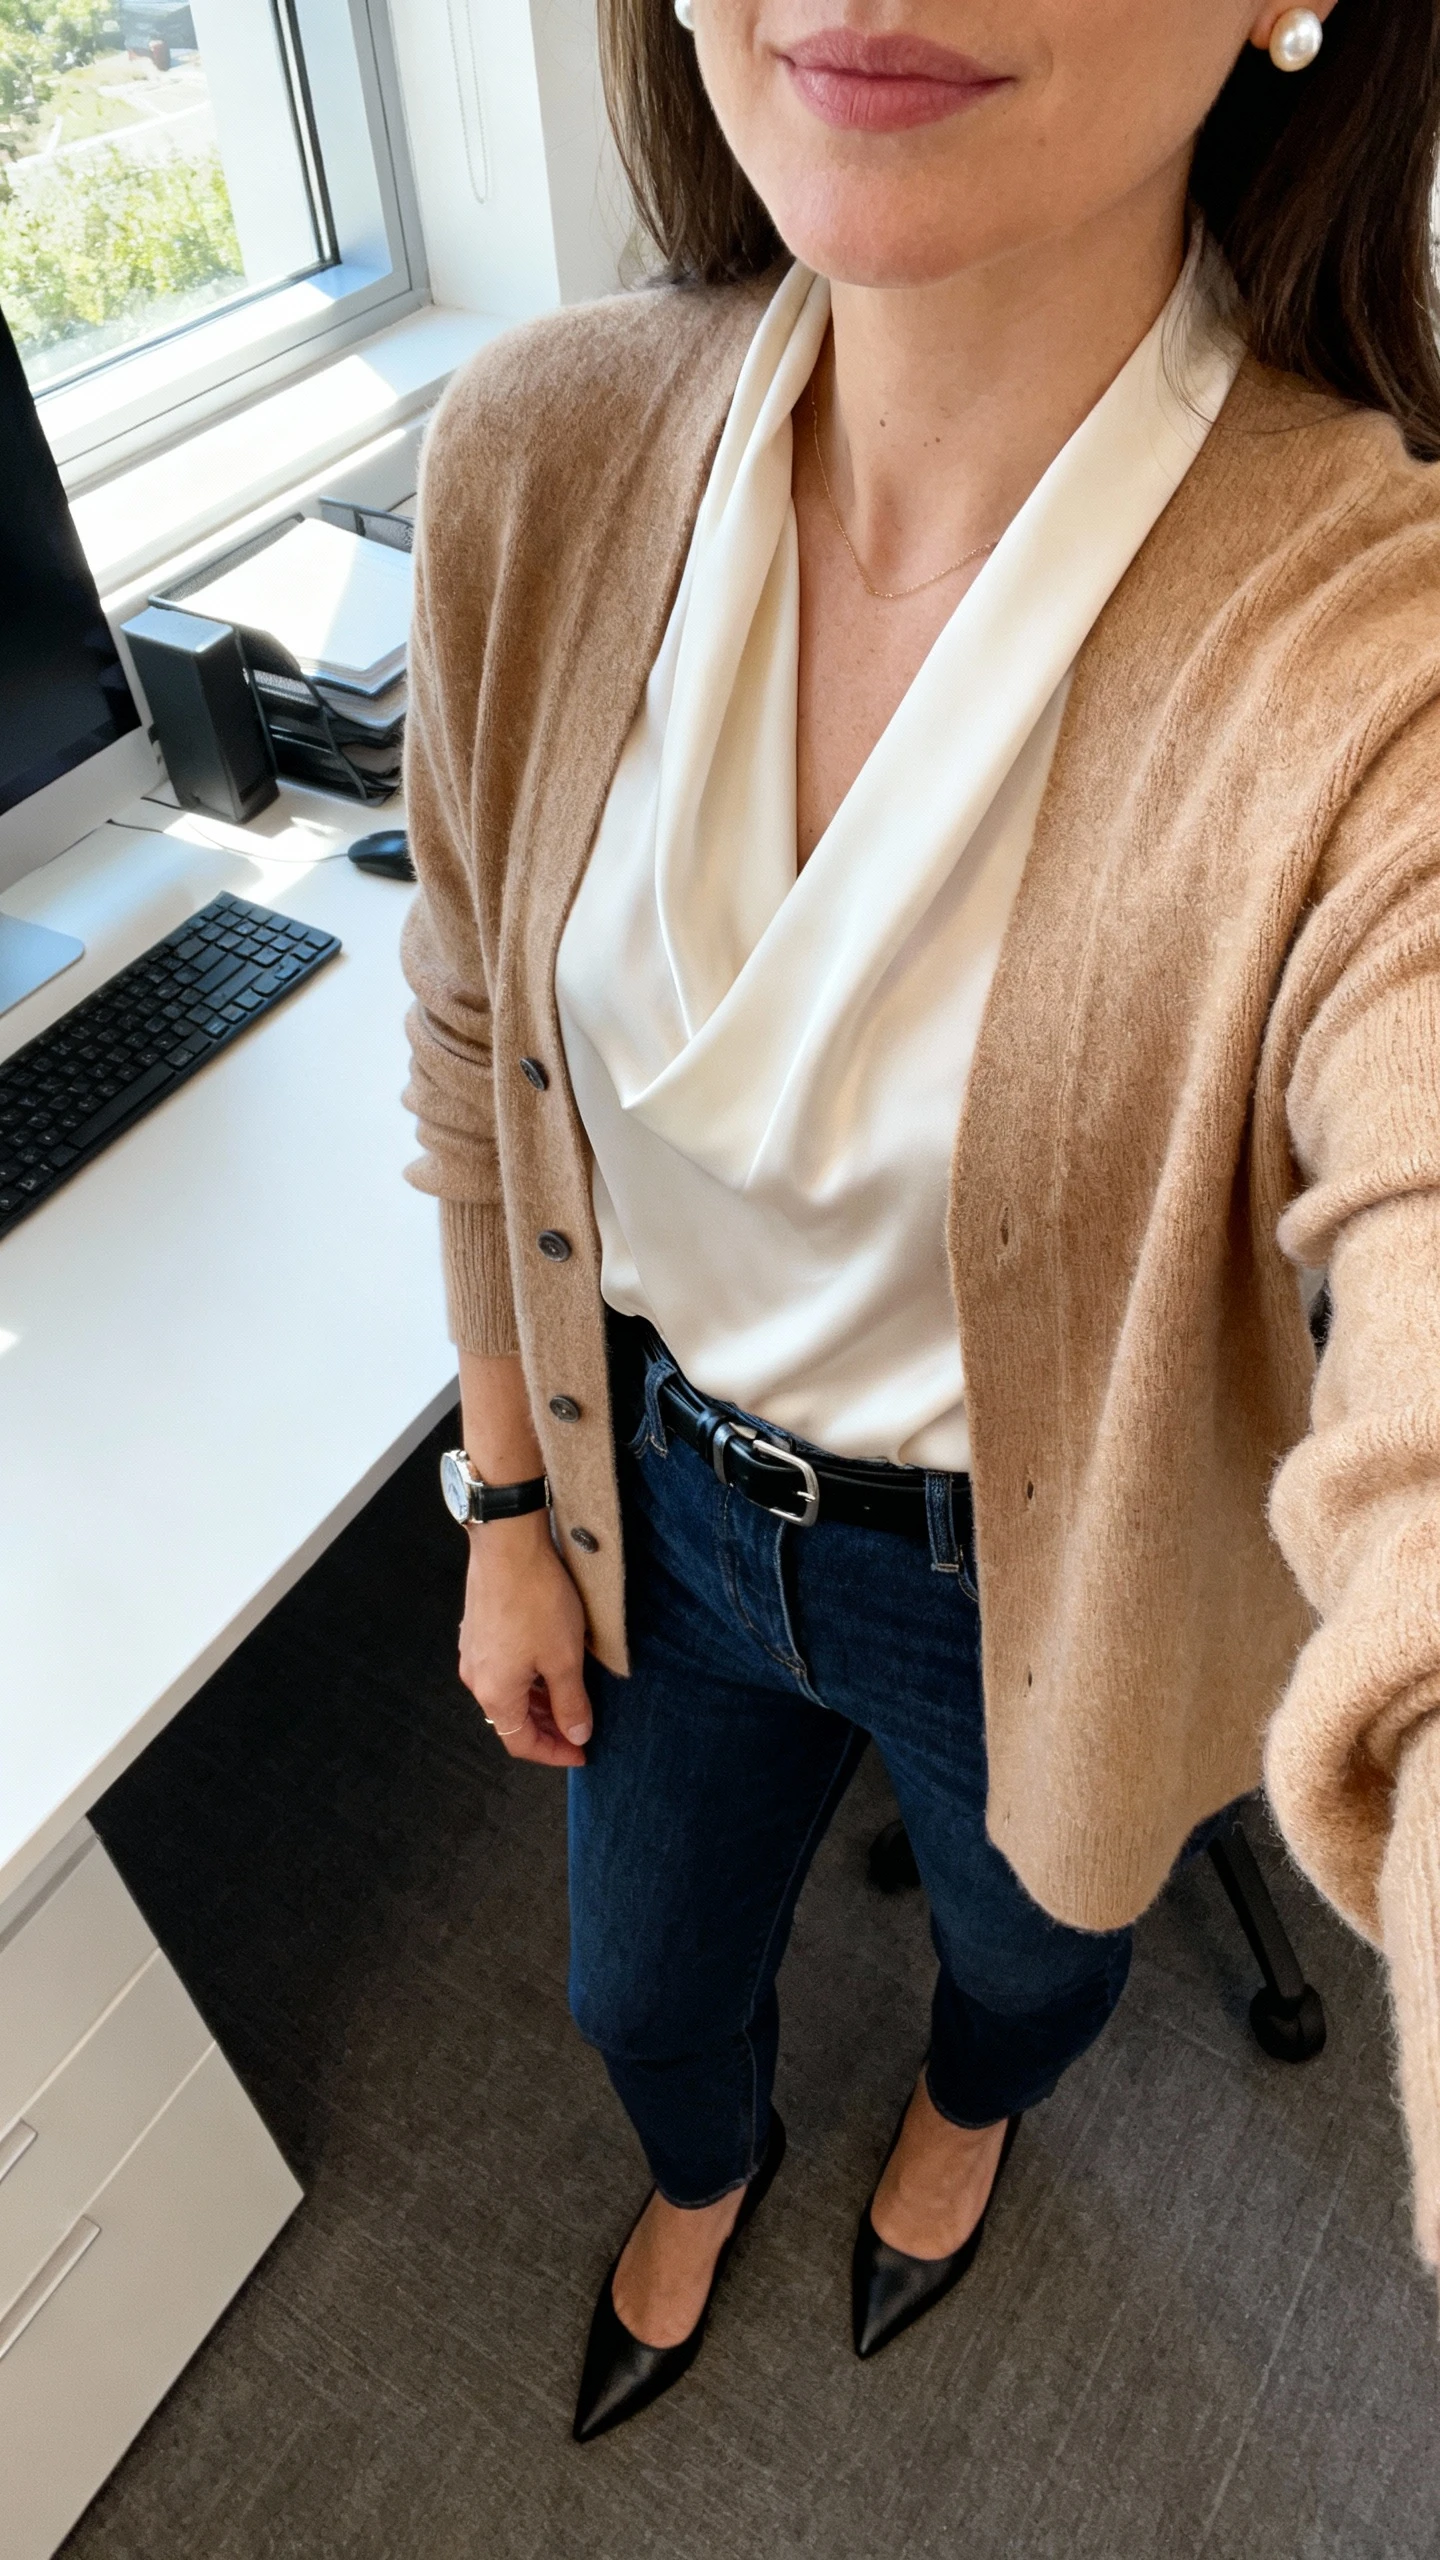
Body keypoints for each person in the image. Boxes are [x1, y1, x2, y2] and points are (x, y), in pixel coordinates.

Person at [402, 0, 1440, 2444]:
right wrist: (514, 1497)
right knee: (633, 1991)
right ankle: (709, 2155)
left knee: (1028, 1951)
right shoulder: (533, 457)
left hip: (1029, 1579)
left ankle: (962, 2115)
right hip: (654, 1494)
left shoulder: (1371, 659)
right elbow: (471, 1042)